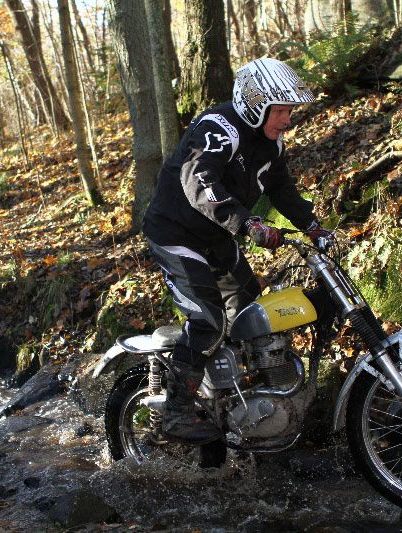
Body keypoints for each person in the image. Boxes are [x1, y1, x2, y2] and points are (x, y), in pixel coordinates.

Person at [142, 57, 332, 444]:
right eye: (280, 111)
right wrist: (248, 224)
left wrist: (313, 227)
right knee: (208, 319)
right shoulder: (218, 129)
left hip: (214, 237)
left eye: (289, 111)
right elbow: (199, 182)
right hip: (175, 233)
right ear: (254, 104)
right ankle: (176, 411)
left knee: (247, 306)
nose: (287, 120)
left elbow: (282, 190)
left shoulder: (270, 144)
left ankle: (237, 395)